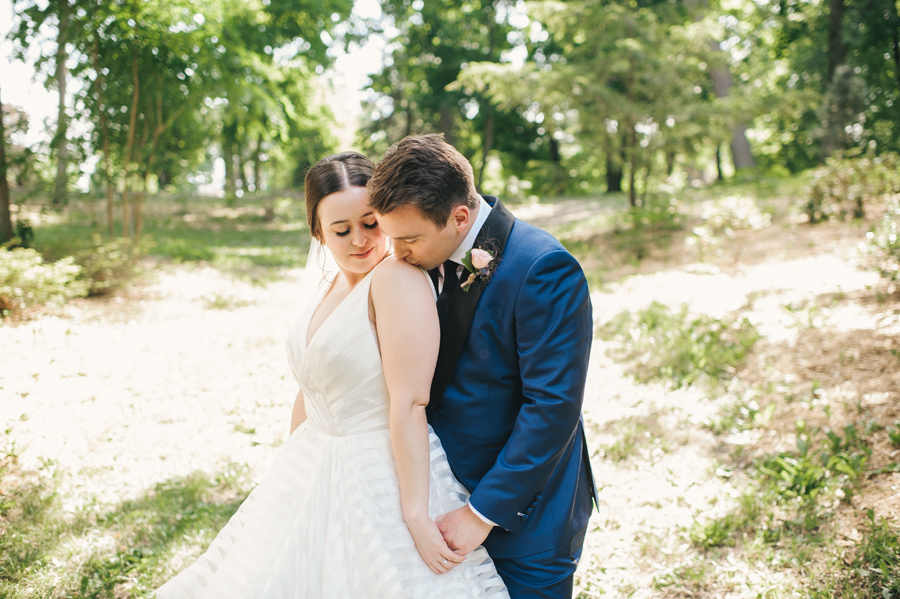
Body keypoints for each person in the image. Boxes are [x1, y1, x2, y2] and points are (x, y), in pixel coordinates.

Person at [156, 152, 508, 599]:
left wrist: (416, 516)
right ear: (319, 233)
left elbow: (410, 402)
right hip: (313, 463)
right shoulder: (330, 285)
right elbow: (312, 386)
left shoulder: (395, 279)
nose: (360, 240)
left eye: (370, 223)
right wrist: (292, 469)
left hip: (379, 471)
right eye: (341, 230)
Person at [368, 134, 596, 599]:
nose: (397, 253)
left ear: (459, 217)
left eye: (409, 239)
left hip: (522, 520)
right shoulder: (419, 263)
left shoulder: (543, 268)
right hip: (438, 502)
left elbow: (552, 408)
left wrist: (480, 514)